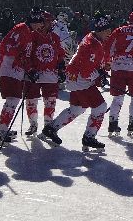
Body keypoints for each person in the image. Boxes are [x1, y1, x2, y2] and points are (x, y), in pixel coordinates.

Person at [39, 14, 114, 152]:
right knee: (100, 107)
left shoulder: (93, 39)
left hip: (74, 78)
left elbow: (91, 65)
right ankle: (89, 137)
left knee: (77, 108)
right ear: (100, 30)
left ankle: (50, 129)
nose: (110, 33)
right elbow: (86, 72)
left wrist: (101, 70)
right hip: (80, 80)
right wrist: (99, 75)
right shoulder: (92, 45)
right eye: (107, 30)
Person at [0, 8, 48, 147]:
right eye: (40, 22)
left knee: (13, 100)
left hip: (16, 70)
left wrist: (29, 69)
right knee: (12, 100)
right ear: (34, 21)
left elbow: (25, 56)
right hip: (9, 67)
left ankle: (2, 129)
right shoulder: (21, 29)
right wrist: (20, 57)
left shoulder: (29, 32)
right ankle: (1, 132)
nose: (41, 26)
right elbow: (6, 46)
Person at [24, 10, 67, 137]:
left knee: (50, 101)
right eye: (48, 21)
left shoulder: (54, 37)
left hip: (50, 75)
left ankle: (48, 126)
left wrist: (61, 69)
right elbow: (26, 55)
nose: (50, 24)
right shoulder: (31, 36)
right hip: (34, 75)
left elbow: (60, 55)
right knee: (31, 100)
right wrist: (30, 70)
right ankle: (33, 124)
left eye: (50, 21)